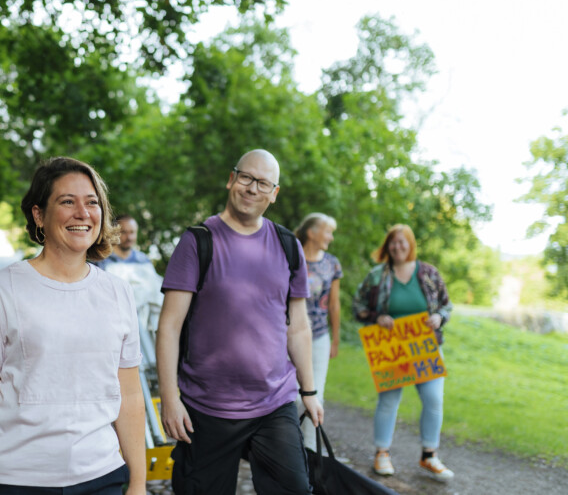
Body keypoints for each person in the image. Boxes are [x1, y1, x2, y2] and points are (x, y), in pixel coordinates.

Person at [0, 157, 147, 495]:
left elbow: (129, 394)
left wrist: (138, 482)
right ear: (39, 214)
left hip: (102, 476)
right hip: (13, 479)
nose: (83, 213)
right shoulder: (0, 289)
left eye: (92, 202)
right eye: (67, 201)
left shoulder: (118, 293)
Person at [156, 149, 323, 495]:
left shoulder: (288, 246)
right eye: (246, 177)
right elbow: (169, 326)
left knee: (295, 489)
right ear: (232, 179)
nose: (252, 188)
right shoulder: (197, 241)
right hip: (206, 406)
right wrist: (170, 398)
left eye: (263, 183)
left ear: (274, 194)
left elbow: (299, 327)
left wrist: (308, 391)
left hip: (273, 403)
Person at [352, 224, 454, 480]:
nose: (397, 247)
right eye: (393, 243)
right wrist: (377, 317)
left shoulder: (429, 273)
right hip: (391, 348)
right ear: (388, 246)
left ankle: (429, 455)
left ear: (411, 244)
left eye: (402, 242)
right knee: (388, 402)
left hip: (425, 348)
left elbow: (446, 305)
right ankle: (382, 453)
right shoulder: (377, 275)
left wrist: (439, 319)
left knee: (434, 400)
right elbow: (358, 307)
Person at [294, 213, 343, 452]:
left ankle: (311, 452)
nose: (331, 237)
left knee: (316, 394)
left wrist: (335, 339)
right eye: (327, 231)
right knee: (291, 396)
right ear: (312, 232)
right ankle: (289, 447)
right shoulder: (290, 256)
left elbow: (334, 304)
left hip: (320, 336)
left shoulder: (331, 263)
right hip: (289, 336)